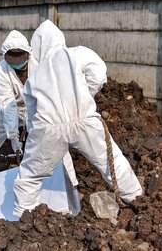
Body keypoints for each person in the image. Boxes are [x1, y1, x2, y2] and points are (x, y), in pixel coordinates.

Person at [12, 20, 143, 217]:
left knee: (30, 175)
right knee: (112, 162)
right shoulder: (77, 53)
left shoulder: (34, 76)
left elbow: (32, 113)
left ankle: (23, 217)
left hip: (49, 129)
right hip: (84, 121)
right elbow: (98, 75)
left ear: (36, 47)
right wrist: (84, 96)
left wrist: (33, 139)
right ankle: (137, 200)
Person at [0, 30, 79, 185]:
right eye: (13, 58)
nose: (17, 62)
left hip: (37, 107)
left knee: (56, 139)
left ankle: (70, 183)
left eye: (20, 56)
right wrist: (13, 137)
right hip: (6, 109)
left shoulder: (38, 65)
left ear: (28, 53)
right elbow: (8, 107)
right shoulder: (0, 73)